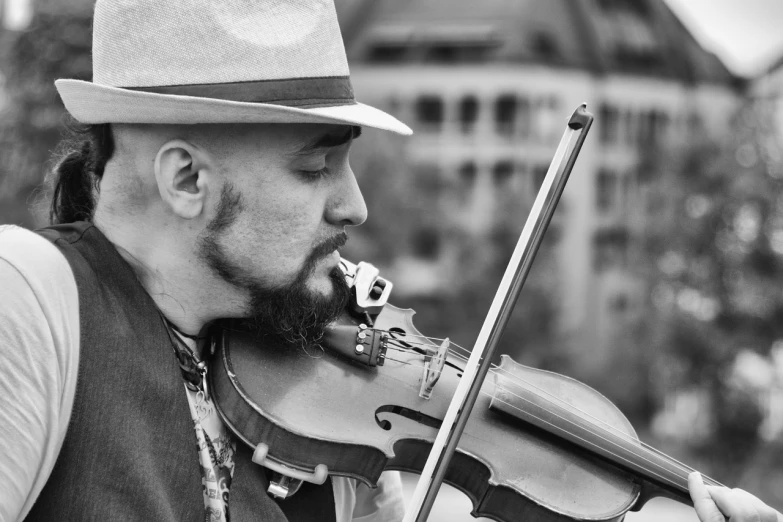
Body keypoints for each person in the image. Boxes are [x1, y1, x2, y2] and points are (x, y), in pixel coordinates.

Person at [0, 1, 779, 521]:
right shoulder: (30, 302)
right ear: (186, 179)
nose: (354, 206)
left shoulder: (322, 396)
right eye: (315, 168)